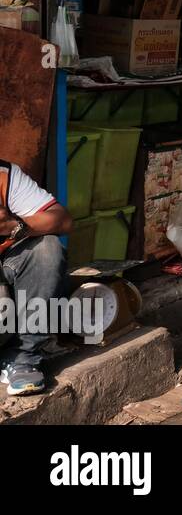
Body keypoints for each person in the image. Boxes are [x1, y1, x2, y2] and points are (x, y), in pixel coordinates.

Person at [0, 160, 71, 395]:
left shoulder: (5, 176)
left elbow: (61, 219)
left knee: (47, 247)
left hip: (5, 267)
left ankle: (23, 357)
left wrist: (13, 226)